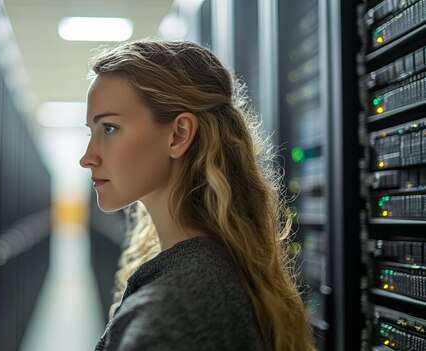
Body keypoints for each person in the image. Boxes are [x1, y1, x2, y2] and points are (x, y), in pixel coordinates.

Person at [80, 39, 314, 351]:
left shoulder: (168, 316)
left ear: (178, 135)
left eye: (109, 128)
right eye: (90, 133)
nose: (87, 157)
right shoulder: (218, 266)